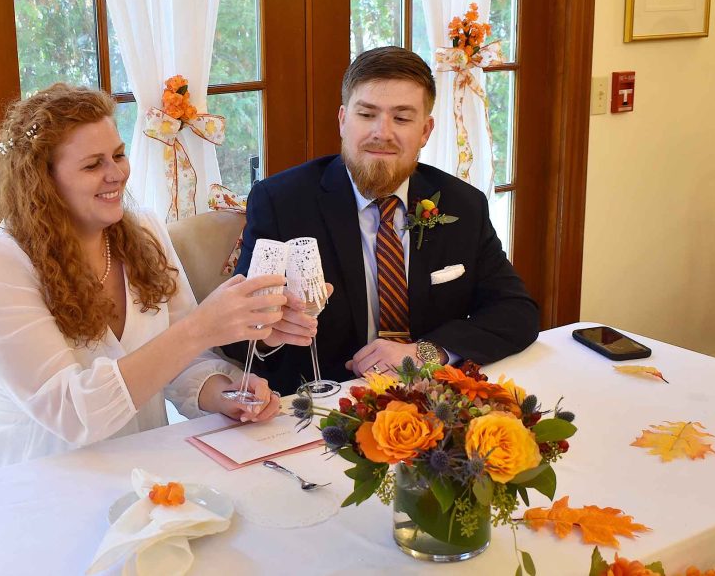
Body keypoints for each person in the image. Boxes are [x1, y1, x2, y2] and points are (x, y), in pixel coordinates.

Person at [0, 84, 293, 483]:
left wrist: (223, 393)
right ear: (42, 181)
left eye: (118, 154)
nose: (116, 173)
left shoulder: (143, 231)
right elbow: (73, 416)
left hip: (140, 462)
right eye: (92, 165)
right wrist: (202, 326)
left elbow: (182, 360)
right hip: (26, 474)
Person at [227, 46, 539, 395]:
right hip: (323, 406)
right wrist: (269, 331)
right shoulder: (281, 202)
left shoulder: (463, 204)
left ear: (425, 130)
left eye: (402, 118)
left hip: (432, 398)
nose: (382, 132)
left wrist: (426, 353)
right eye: (367, 114)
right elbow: (237, 337)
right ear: (343, 120)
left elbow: (516, 312)